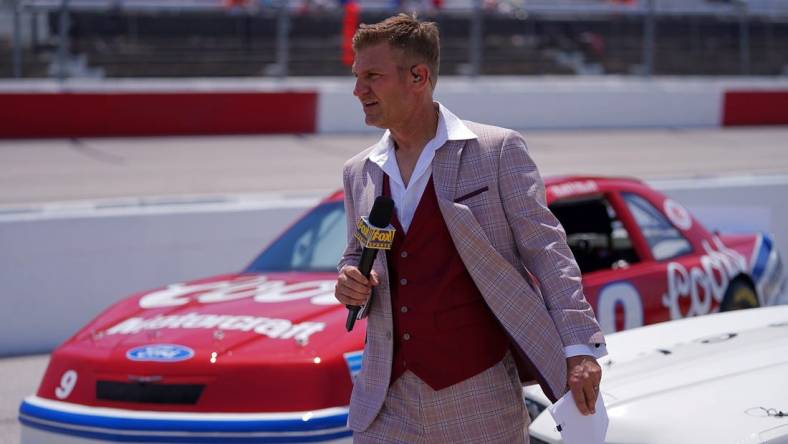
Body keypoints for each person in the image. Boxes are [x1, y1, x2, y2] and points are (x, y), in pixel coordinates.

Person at [334, 13, 606, 443]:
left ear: (418, 76)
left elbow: (548, 253)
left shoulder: (496, 150)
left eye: (372, 76)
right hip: (385, 398)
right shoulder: (358, 171)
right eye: (356, 76)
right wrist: (349, 279)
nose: (357, 90)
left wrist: (579, 348)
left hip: (478, 395)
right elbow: (357, 254)